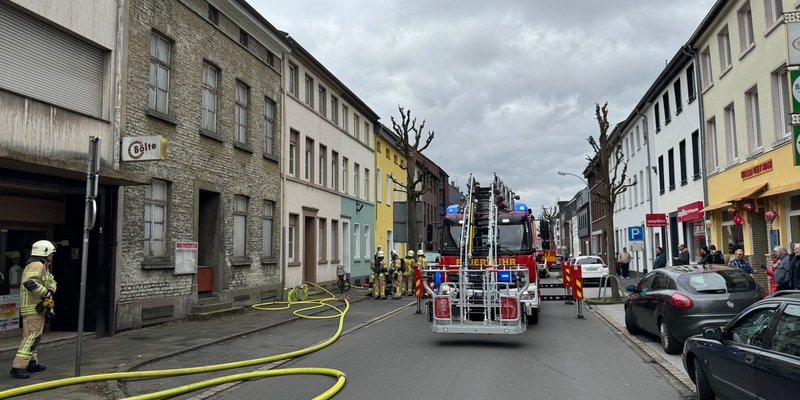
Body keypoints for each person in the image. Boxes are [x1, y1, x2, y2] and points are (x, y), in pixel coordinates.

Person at [10, 240, 57, 379]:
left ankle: (32, 363)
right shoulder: (37, 265)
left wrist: (50, 289)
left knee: (34, 337)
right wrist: (46, 293)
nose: (52, 256)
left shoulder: (42, 265)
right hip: (33, 309)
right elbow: (29, 282)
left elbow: (52, 282)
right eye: (51, 253)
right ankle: (18, 367)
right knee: (31, 337)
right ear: (45, 252)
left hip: (36, 309)